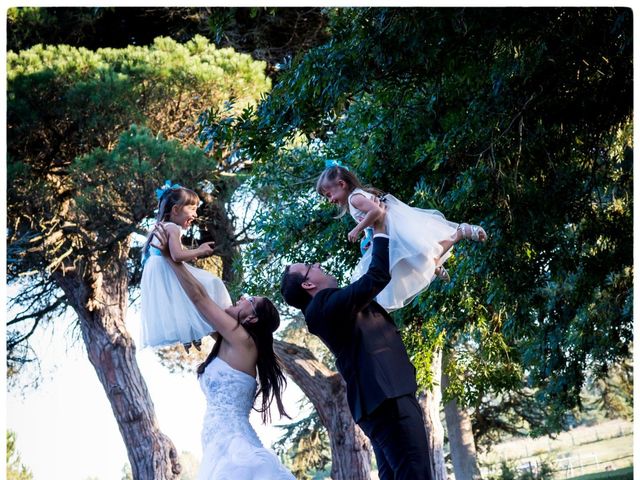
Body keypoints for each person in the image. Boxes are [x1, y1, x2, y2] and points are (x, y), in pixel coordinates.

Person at [280, 205, 434, 480]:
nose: (318, 265)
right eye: (310, 267)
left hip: (381, 400)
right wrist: (380, 228)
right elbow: (376, 278)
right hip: (386, 397)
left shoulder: (332, 306)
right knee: (415, 474)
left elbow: (371, 286)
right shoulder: (322, 308)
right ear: (307, 285)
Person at [151, 224, 295, 480]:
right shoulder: (230, 339)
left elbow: (200, 298)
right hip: (218, 444)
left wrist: (172, 259)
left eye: (249, 301)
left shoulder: (242, 339)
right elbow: (197, 305)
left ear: (252, 320)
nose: (241, 298)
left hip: (233, 448)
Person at [315, 164, 487, 311]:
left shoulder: (354, 199)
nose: (330, 200)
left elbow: (377, 211)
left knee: (422, 253)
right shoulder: (356, 198)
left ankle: (460, 233)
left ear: (341, 184)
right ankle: (434, 265)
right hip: (388, 231)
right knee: (403, 262)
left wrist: (357, 229)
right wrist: (367, 235)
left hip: (394, 228)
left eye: (329, 194)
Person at [140, 182, 232, 351]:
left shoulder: (160, 227)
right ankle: (222, 320)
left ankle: (190, 334)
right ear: (175, 210)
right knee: (212, 283)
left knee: (182, 303)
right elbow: (176, 255)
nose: (196, 214)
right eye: (192, 209)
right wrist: (200, 250)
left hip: (160, 272)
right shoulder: (172, 228)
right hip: (168, 269)